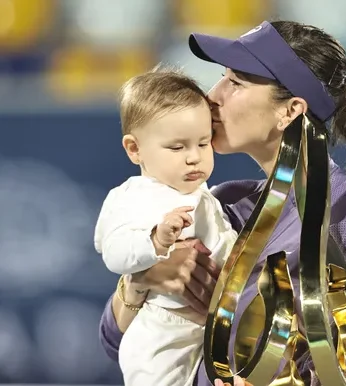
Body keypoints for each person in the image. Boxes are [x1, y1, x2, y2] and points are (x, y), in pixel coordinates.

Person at [98, 20, 346, 385]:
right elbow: (114, 341)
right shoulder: (223, 203)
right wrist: (140, 283)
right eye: (222, 77)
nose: (213, 95)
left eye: (236, 83)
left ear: (290, 110)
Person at [94, 66, 238, 386]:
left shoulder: (206, 196)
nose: (193, 158)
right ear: (135, 149)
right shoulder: (133, 196)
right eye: (177, 147)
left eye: (203, 143)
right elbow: (114, 252)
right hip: (161, 333)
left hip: (206, 332)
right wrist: (156, 242)